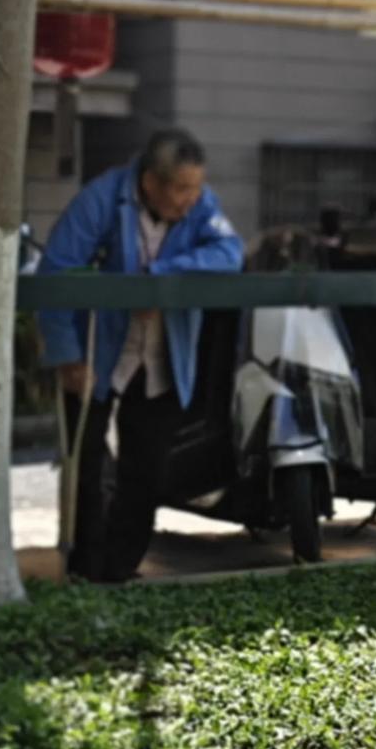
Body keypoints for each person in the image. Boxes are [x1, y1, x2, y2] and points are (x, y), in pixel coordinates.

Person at [37, 128, 243, 580]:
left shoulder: (200, 204)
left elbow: (230, 253)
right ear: (150, 182)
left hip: (161, 358)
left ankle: (121, 569)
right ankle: (84, 569)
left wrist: (163, 277)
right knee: (85, 465)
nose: (191, 199)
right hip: (96, 349)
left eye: (196, 187)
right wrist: (68, 355)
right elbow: (56, 274)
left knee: (145, 471)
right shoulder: (101, 200)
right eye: (181, 188)